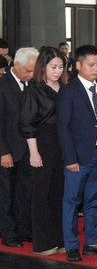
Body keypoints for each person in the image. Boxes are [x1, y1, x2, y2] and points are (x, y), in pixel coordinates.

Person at [57, 44, 97, 262]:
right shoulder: (69, 90)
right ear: (78, 65)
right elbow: (63, 127)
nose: (96, 69)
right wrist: (70, 158)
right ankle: (71, 245)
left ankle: (93, 243)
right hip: (79, 156)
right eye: (91, 65)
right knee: (72, 201)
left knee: (96, 200)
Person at [18, 47, 67, 255]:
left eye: (61, 67)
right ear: (43, 67)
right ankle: (44, 242)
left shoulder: (65, 87)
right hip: (42, 142)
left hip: (63, 142)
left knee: (59, 192)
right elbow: (27, 123)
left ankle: (59, 238)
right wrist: (34, 152)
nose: (57, 71)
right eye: (53, 67)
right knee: (42, 193)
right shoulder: (34, 89)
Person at [0, 47, 38, 248]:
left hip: (28, 150)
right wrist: (2, 151)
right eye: (29, 70)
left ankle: (24, 229)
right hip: (8, 150)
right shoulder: (3, 86)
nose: (32, 75)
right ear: (16, 65)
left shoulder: (32, 86)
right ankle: (8, 232)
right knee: (6, 193)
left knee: (25, 192)